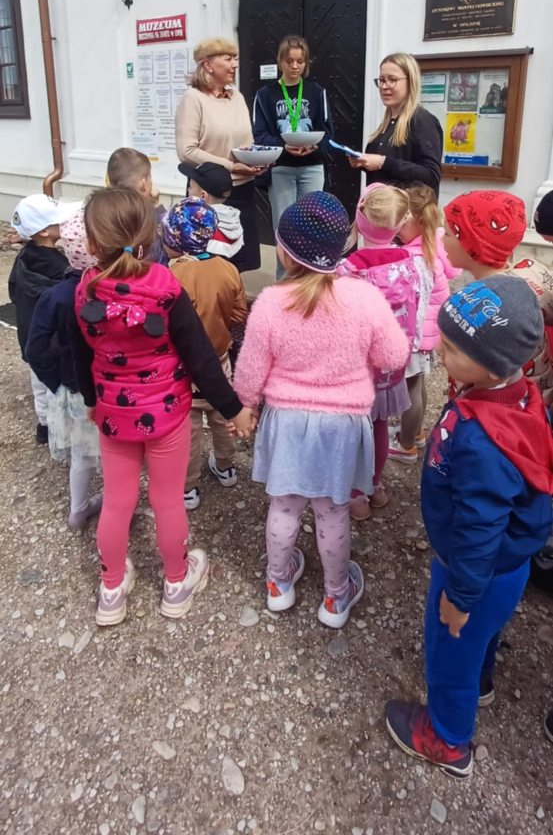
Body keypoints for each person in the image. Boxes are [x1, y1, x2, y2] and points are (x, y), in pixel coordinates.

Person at [385, 276, 553, 778]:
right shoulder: (519, 396)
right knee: (478, 642)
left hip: (472, 572)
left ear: (494, 364)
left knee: (448, 656)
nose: (439, 351)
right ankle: (481, 679)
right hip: (506, 567)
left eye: (453, 349)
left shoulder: (483, 443)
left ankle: (446, 740)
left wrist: (459, 598)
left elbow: (480, 532)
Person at [71, 187, 255, 627]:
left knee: (118, 500)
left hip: (114, 414)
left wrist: (92, 401)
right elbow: (201, 358)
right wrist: (233, 409)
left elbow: (80, 355)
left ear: (92, 244)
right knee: (167, 500)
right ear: (150, 237)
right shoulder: (165, 286)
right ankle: (176, 582)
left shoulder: (85, 290)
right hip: (168, 415)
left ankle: (112, 589)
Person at [233, 191, 409, 628]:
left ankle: (278, 584)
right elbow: (393, 354)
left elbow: (250, 369)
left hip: (287, 420)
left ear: (284, 251)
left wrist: (246, 404)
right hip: (342, 426)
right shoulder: (364, 298)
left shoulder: (271, 302)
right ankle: (335, 597)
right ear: (342, 247)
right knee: (333, 511)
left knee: (284, 506)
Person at [161, 197, 248, 510]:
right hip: (220, 359)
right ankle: (226, 467)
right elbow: (239, 314)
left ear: (174, 240)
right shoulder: (227, 269)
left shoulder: (168, 275)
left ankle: (187, 486)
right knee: (223, 416)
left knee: (188, 427)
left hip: (181, 366)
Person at [336, 183, 418, 514]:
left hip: (358, 369)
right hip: (392, 362)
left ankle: (356, 494)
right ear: (399, 224)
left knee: (354, 431)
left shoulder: (351, 268)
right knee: (380, 425)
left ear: (360, 218)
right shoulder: (408, 261)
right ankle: (376, 485)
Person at [26, 206, 102, 529]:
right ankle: (116, 501)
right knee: (112, 451)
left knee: (81, 454)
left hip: (71, 387)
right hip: (104, 387)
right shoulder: (108, 290)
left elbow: (35, 349)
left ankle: (78, 509)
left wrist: (55, 381)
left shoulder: (55, 295)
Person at [443, 190, 553, 404]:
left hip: (498, 410)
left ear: (473, 245)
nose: (440, 239)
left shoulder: (480, 306)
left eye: (447, 234)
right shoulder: (533, 272)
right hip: (537, 402)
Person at [175, 39, 262, 272]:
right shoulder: (193, 99)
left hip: (243, 188)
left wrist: (256, 161)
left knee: (239, 263)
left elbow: (247, 143)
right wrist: (230, 166)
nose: (235, 64)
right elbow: (186, 151)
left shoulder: (237, 97)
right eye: (228, 59)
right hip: (208, 194)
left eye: (235, 59)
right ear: (208, 64)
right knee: (211, 264)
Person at [252, 36, 334, 278]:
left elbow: (328, 134)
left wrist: (315, 147)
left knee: (313, 227)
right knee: (284, 229)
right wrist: (282, 146)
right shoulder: (265, 94)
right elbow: (259, 135)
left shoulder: (316, 92)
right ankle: (283, 283)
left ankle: (310, 282)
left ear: (306, 62)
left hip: (312, 167)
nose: (295, 66)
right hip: (281, 169)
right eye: (289, 61)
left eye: (300, 61)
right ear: (280, 61)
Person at [388, 185, 456, 463]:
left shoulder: (414, 258)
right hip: (428, 333)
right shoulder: (432, 248)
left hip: (415, 335)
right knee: (419, 384)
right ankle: (415, 433)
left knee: (410, 389)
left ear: (416, 221)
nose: (396, 226)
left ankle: (406, 446)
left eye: (402, 220)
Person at [8, 193, 78, 444]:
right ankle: (63, 432)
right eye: (59, 219)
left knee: (38, 382)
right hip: (54, 341)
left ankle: (44, 426)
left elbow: (13, 291)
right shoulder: (62, 268)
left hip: (29, 334)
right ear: (45, 232)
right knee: (56, 386)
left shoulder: (22, 258)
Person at [349, 53, 443, 196]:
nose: (384, 86)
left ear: (410, 82)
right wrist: (363, 162)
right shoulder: (388, 123)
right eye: (381, 80)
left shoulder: (422, 121)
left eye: (392, 80)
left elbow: (431, 176)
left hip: (407, 208)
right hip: (382, 206)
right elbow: (388, 170)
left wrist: (383, 162)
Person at [106, 146, 167, 264]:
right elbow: (168, 232)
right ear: (143, 183)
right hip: (151, 270)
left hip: (116, 268)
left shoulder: (107, 209)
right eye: (149, 177)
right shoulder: (147, 213)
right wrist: (157, 206)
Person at [178, 161, 244, 261]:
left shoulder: (198, 225)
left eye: (190, 187)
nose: (188, 190)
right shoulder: (233, 220)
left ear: (203, 196)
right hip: (229, 270)